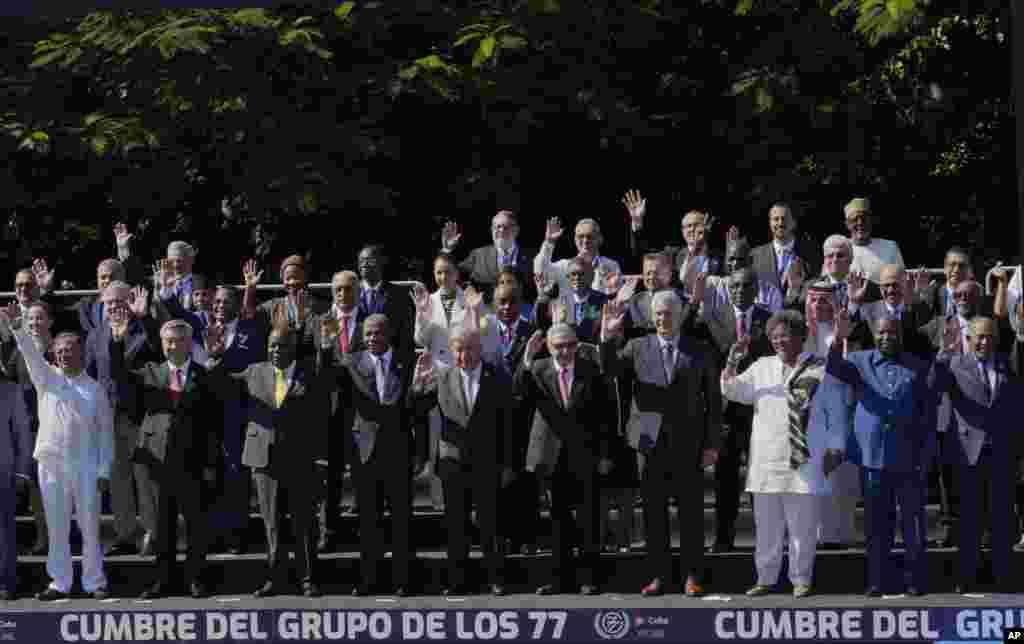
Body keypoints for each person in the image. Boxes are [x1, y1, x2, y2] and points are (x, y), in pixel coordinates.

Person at [600, 291, 721, 596]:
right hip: (648, 442)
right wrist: (607, 335)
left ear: (680, 314)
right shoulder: (636, 346)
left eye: (668, 313)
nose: (663, 319)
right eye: (657, 314)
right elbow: (610, 370)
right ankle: (659, 576)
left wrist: (712, 443)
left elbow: (714, 400)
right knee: (654, 514)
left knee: (691, 513)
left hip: (689, 442)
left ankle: (693, 575)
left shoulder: (700, 349)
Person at [721, 310, 848, 598]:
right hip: (767, 459)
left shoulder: (820, 367)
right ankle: (765, 578)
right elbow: (731, 390)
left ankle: (801, 579)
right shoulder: (761, 366)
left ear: (801, 337)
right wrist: (732, 360)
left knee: (803, 528)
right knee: (767, 528)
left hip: (806, 459)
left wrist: (837, 447)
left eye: (785, 335)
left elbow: (837, 411)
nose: (778, 340)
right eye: (774, 336)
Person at [207, 320, 331, 597]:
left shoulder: (309, 371)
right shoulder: (254, 371)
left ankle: (308, 579)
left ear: (293, 347)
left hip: (300, 458)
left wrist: (326, 346)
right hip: (263, 458)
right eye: (272, 345)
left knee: (303, 522)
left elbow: (328, 381)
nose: (276, 350)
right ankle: (274, 579)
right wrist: (215, 357)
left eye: (282, 345)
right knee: (271, 523)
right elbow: (220, 385)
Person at [0, 305, 114, 601]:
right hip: (51, 464)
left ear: (81, 353)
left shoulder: (95, 389)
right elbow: (29, 354)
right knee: (57, 527)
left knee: (89, 527)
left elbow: (106, 434)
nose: (63, 354)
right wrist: (17, 327)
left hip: (87, 466)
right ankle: (59, 583)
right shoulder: (46, 378)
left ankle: (94, 582)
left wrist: (104, 470)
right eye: (59, 350)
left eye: (69, 349)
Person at [828, 310, 935, 597]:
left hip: (908, 457)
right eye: (881, 332)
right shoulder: (859, 361)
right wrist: (838, 338)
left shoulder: (918, 365)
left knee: (912, 525)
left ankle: (915, 580)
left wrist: (925, 456)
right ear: (874, 334)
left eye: (892, 332)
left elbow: (927, 415)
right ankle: (877, 579)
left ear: (900, 335)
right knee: (877, 524)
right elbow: (834, 368)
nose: (886, 337)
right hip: (872, 457)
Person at [113, 317, 220, 599]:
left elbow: (212, 422)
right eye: (167, 341)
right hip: (157, 462)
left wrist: (210, 464)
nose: (172, 346)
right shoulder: (150, 372)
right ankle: (164, 581)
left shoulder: (204, 374)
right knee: (162, 527)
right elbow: (120, 376)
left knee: (196, 525)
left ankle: (196, 579)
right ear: (162, 344)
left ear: (189, 343)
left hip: (192, 462)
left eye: (178, 340)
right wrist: (117, 342)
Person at [411, 326, 515, 596]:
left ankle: (496, 578)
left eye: (469, 348)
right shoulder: (442, 377)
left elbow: (507, 424)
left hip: (487, 462)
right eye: (458, 349)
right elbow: (416, 408)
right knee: (455, 526)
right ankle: (457, 580)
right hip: (452, 463)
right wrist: (418, 384)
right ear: (452, 351)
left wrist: (506, 464)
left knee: (490, 524)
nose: (464, 354)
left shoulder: (497, 378)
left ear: (479, 350)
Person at [517, 323, 613, 595]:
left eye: (570, 345)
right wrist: (526, 360)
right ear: (549, 346)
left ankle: (588, 579)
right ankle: (559, 579)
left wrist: (605, 454)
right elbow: (518, 392)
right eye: (559, 346)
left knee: (587, 520)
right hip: (551, 456)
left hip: (585, 455)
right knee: (558, 522)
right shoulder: (536, 369)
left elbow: (604, 415)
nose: (565, 351)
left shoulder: (590, 370)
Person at [328, 314, 416, 596]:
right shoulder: (351, 361)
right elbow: (329, 381)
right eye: (367, 334)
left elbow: (417, 407)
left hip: (399, 451)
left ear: (389, 334)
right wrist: (327, 347)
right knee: (368, 522)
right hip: (364, 453)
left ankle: (402, 579)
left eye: (377, 333)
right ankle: (369, 578)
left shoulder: (408, 361)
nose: (372, 338)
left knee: (401, 520)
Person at [930, 316, 1019, 593]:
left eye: (989, 337)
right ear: (969, 340)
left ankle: (1002, 577)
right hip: (968, 455)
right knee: (969, 520)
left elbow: (1016, 411)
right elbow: (933, 386)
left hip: (1001, 454)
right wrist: (943, 353)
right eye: (979, 337)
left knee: (1001, 519)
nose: (984, 342)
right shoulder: (955, 364)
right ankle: (966, 577)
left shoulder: (1006, 366)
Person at [84, 283, 162, 557]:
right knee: (118, 479)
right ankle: (126, 533)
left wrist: (145, 318)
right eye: (109, 303)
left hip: (141, 416)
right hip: (108, 417)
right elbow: (90, 377)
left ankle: (154, 533)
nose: (114, 307)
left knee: (146, 478)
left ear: (130, 302)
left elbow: (160, 352)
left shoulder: (144, 329)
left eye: (119, 302)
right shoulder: (95, 336)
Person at [703, 267, 774, 552]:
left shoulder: (768, 321)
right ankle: (723, 537)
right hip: (725, 411)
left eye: (745, 286)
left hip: (759, 410)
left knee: (761, 478)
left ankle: (766, 538)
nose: (739, 291)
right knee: (725, 478)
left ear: (755, 288)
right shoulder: (714, 319)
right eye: (733, 286)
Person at [204, 286, 266, 555]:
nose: (218, 305)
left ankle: (236, 534)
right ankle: (213, 532)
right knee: (209, 474)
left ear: (236, 304)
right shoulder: (202, 327)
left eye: (224, 301)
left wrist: (220, 360)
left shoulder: (249, 332)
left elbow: (252, 369)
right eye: (216, 300)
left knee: (234, 474)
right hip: (205, 413)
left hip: (236, 412)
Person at [307, 270, 365, 552]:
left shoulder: (369, 323)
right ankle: (327, 531)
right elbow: (315, 372)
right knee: (328, 477)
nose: (343, 295)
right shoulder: (319, 321)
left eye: (349, 289)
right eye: (338, 290)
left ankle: (366, 533)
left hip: (361, 411)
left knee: (363, 474)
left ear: (358, 291)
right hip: (327, 411)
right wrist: (327, 350)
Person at [802, 280, 862, 550]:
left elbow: (852, 372)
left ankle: (837, 538)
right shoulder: (798, 333)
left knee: (840, 480)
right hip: (807, 417)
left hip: (841, 413)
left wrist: (840, 338)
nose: (818, 306)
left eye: (824, 300)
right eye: (813, 300)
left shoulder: (850, 333)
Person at [412, 254, 471, 510]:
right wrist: (422, 315)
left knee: (464, 434)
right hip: (437, 377)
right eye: (438, 272)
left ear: (457, 273)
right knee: (438, 436)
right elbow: (420, 339)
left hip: (464, 373)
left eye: (447, 272)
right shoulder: (429, 300)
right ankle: (440, 499)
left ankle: (467, 496)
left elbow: (479, 331)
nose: (442, 277)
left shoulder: (470, 296)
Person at [0, 302, 50, 555]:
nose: (34, 324)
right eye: (30, 320)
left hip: (54, 426)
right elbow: (8, 379)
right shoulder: (19, 352)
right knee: (36, 488)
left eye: (39, 319)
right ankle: (43, 537)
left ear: (49, 322)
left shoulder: (58, 349)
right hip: (29, 426)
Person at [623, 191, 722, 300]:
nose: (692, 229)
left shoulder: (718, 255)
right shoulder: (671, 254)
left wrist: (701, 246)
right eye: (688, 226)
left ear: (706, 227)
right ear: (682, 231)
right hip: (679, 309)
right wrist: (637, 223)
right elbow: (643, 253)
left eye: (697, 225)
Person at [440, 210, 533, 300]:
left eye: (506, 227)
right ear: (492, 230)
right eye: (497, 227)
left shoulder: (531, 257)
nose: (501, 230)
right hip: (485, 313)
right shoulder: (478, 255)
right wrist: (447, 250)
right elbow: (451, 273)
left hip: (521, 312)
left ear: (516, 230)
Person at [241, 255, 327, 343]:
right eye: (288, 278)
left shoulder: (321, 307)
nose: (292, 282)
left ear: (306, 277)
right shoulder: (273, 306)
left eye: (296, 277)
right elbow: (249, 316)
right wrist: (250, 290)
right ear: (282, 279)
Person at [750, 203, 820, 306]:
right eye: (776, 219)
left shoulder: (810, 255)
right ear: (770, 223)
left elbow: (814, 289)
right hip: (765, 319)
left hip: (797, 318)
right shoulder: (755, 256)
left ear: (793, 223)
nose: (780, 223)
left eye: (784, 218)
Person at [535, 217, 623, 298]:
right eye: (581, 236)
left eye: (590, 236)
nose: (585, 241)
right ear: (575, 240)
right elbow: (541, 272)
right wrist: (549, 243)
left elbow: (617, 299)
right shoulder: (565, 266)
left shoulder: (611, 266)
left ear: (599, 239)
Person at [356, 245, 415, 362]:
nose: (365, 264)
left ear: (382, 262)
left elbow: (406, 335)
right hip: (358, 364)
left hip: (390, 362)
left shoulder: (399, 295)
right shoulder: (349, 294)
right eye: (361, 261)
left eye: (370, 260)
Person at [0, 378, 30, 600]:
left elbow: (22, 432)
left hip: (3, 470)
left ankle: (6, 581)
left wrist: (21, 471)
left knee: (4, 532)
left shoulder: (10, 390)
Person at [534, 256, 608, 344]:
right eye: (573, 274)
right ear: (567, 277)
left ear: (591, 276)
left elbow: (588, 332)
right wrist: (542, 297)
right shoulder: (557, 300)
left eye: (582, 274)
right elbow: (541, 327)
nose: (577, 278)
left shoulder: (601, 300)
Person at [703, 239, 787, 316]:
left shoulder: (770, 292)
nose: (735, 264)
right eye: (731, 259)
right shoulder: (714, 286)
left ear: (750, 260)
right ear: (725, 261)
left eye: (740, 259)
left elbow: (775, 324)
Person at [843, 198, 905, 286]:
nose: (860, 223)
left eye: (864, 218)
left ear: (871, 220)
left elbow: (902, 281)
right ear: (847, 224)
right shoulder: (838, 249)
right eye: (854, 219)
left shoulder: (890, 247)